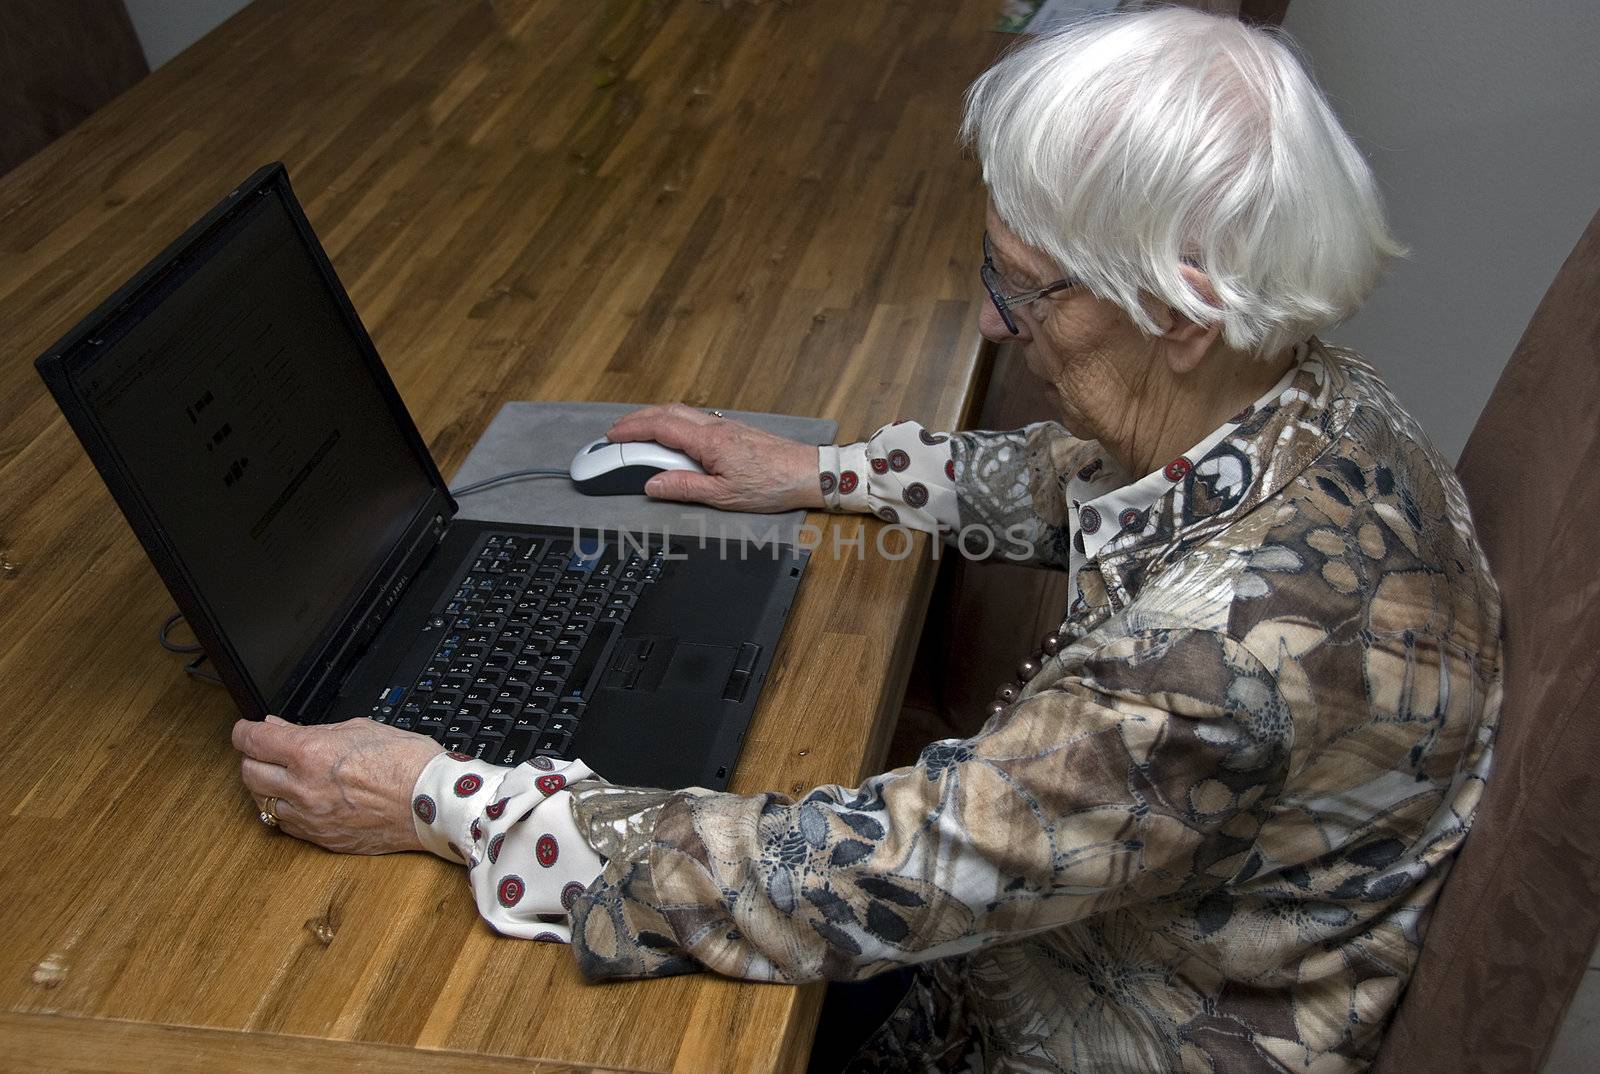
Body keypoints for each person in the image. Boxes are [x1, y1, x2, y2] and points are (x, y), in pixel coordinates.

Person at [233, 9, 1501, 1071]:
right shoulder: (1328, 407)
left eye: (1026, 285)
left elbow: (854, 881)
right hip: (1108, 929)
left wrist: (437, 795)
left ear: (1182, 311)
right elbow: (1105, 483)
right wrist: (822, 472)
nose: (997, 326)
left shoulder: (1209, 676)